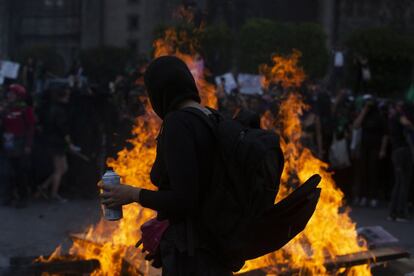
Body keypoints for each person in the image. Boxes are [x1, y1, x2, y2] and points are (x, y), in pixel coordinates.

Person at [100, 56, 232, 275]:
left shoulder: (178, 124)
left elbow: (185, 199)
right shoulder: (210, 117)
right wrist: (163, 224)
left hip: (192, 255)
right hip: (216, 246)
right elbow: (201, 192)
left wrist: (132, 194)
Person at [35, 86, 77, 202]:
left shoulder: (52, 108)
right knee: (59, 169)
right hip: (57, 143)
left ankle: (44, 187)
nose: (68, 97)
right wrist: (69, 143)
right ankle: (53, 195)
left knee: (63, 168)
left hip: (53, 142)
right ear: (62, 96)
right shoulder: (59, 110)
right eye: (67, 95)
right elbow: (62, 129)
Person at [0, 84, 35, 208]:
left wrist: (28, 145)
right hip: (7, 143)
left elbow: (31, 127)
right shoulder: (6, 109)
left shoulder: (25, 109)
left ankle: (23, 198)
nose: (9, 95)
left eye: (12, 93)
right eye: (9, 93)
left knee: (20, 173)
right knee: (6, 172)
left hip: (20, 143)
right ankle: (7, 197)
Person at [352, 95, 387, 207]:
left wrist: (382, 149)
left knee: (373, 172)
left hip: (375, 148)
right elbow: (356, 125)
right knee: (363, 171)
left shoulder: (379, 116)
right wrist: (364, 111)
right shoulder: (365, 115)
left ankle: (373, 197)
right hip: (364, 147)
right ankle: (362, 196)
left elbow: (386, 134)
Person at [387, 101, 413, 221]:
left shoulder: (393, 118)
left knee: (400, 183)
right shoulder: (398, 118)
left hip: (398, 152)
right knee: (402, 183)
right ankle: (398, 212)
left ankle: (394, 212)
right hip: (401, 153)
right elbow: (408, 125)